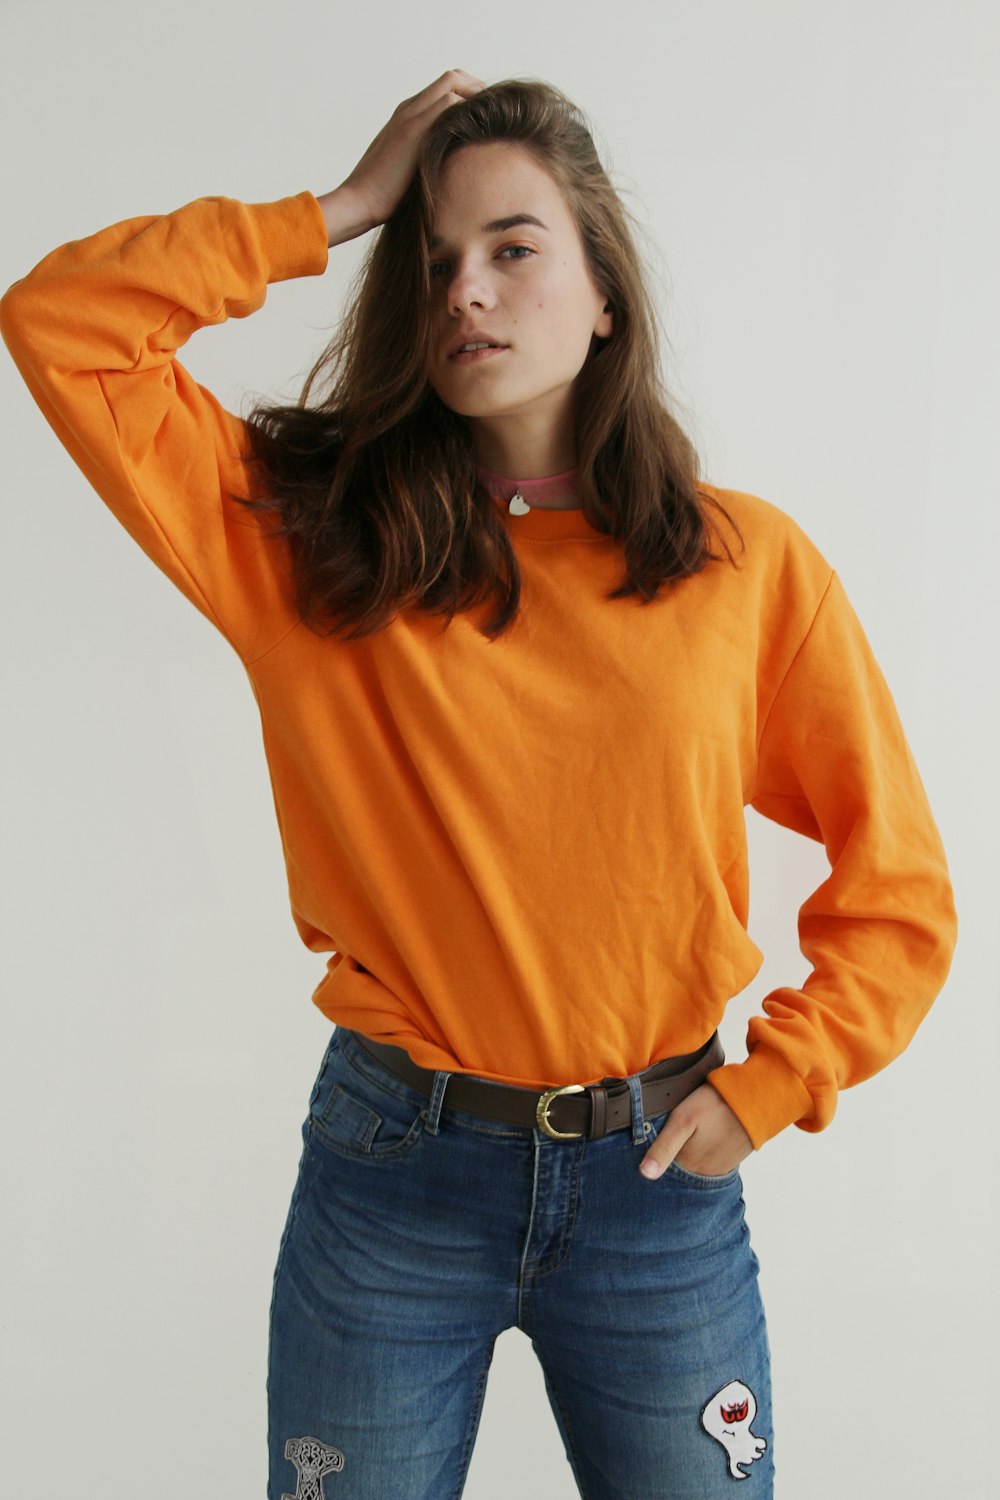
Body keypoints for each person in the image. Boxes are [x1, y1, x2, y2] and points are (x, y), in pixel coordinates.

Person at [0, 69, 957, 1500]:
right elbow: (61, 326)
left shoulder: (739, 569)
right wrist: (340, 209)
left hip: (658, 1186)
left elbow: (900, 889)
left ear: (605, 293)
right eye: (434, 261)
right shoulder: (303, 541)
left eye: (514, 249)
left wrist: (776, 1085)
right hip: (394, 1177)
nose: (468, 293)